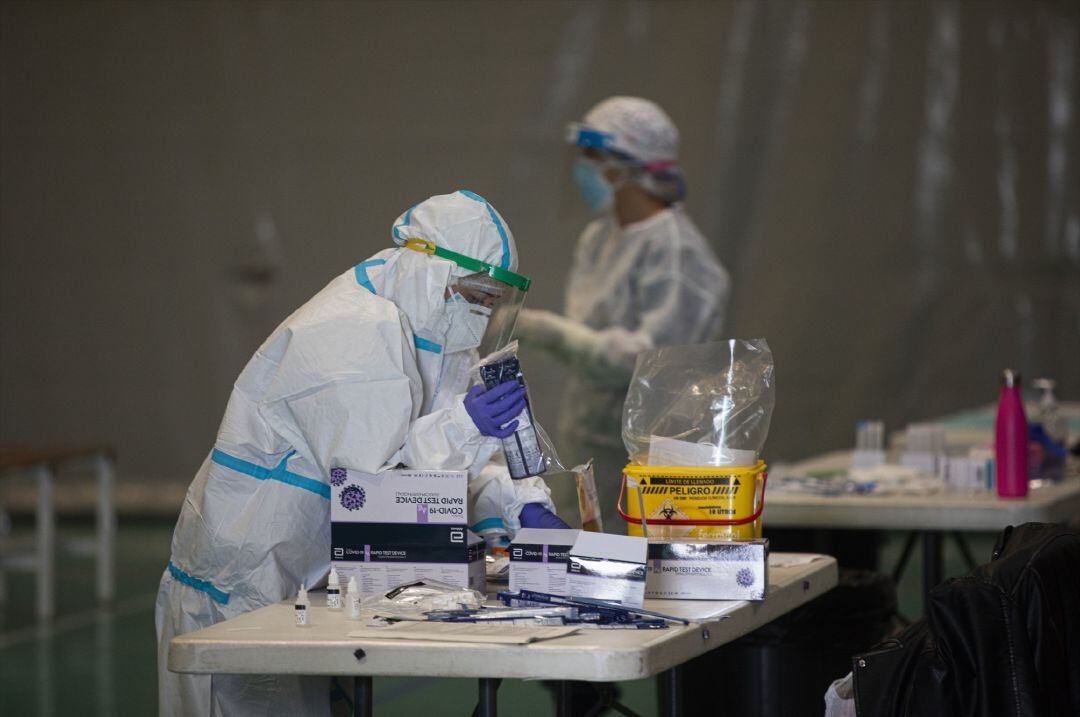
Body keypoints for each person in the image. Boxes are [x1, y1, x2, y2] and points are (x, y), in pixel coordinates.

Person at [156, 190, 565, 716]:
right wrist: (468, 425)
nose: (483, 311)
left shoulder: (438, 325)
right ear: (430, 267)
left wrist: (519, 502)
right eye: (476, 293)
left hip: (315, 576)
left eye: (493, 300)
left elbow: (453, 455)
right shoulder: (349, 333)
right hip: (245, 578)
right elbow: (379, 488)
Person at [516, 96, 730, 531]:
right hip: (590, 438)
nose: (582, 168)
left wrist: (546, 331)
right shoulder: (600, 239)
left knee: (646, 565)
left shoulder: (676, 252)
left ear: (623, 167)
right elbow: (590, 345)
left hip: (655, 457)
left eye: (591, 157)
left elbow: (653, 362)